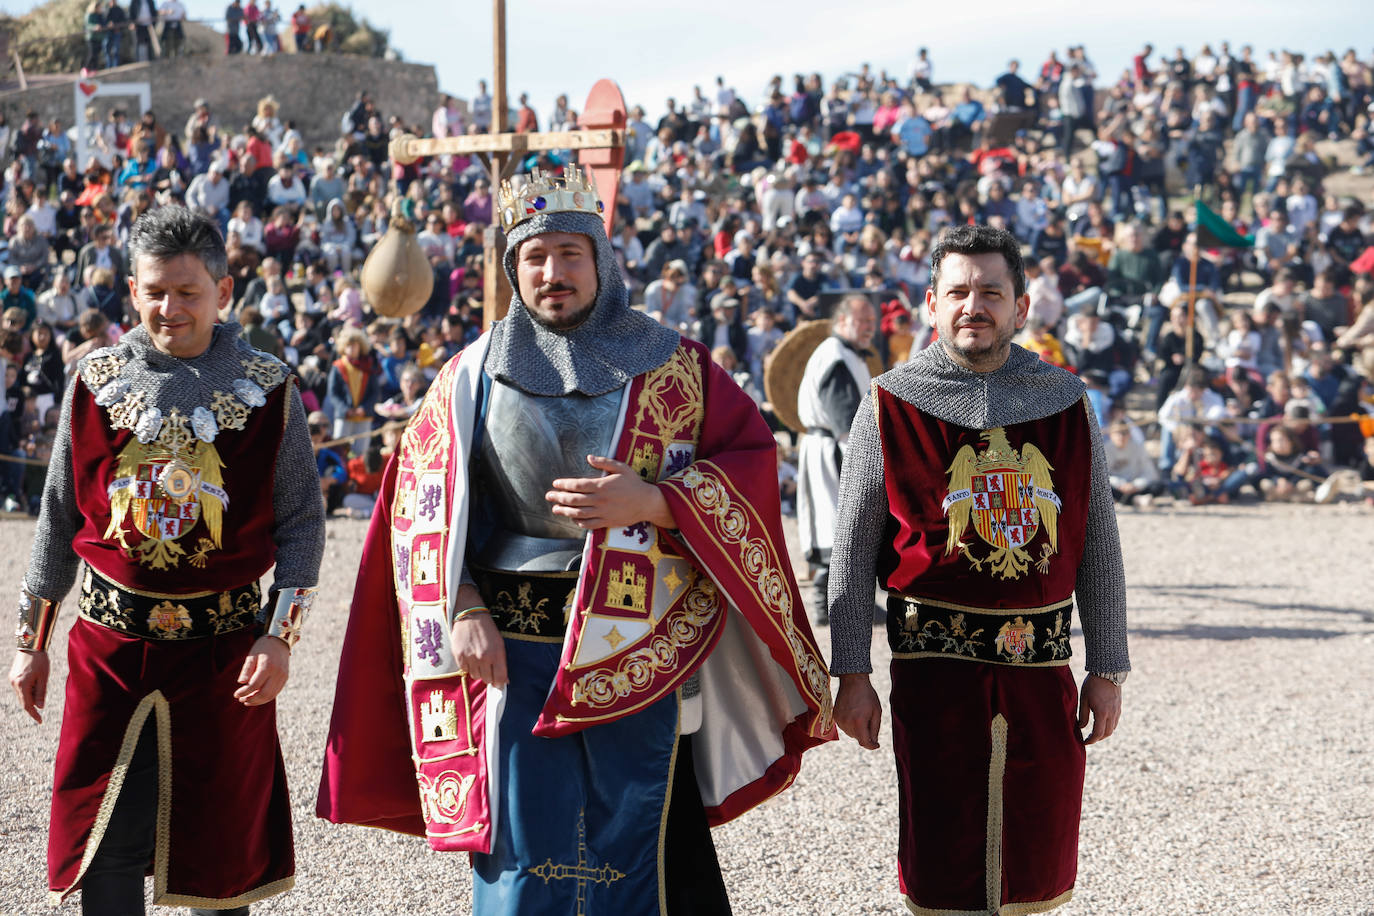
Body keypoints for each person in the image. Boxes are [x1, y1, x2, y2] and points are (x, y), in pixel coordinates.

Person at [318, 166, 834, 914]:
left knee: (643, 842)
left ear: (601, 261)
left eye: (569, 253)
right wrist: (460, 606)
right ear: (512, 269)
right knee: (525, 858)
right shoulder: (468, 377)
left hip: (640, 645)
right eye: (534, 257)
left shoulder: (677, 369)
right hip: (509, 649)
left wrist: (658, 501)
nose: (552, 272)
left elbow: (750, 467)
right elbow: (415, 510)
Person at [7, 206, 324, 913]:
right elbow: (59, 516)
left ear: (224, 290)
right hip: (108, 653)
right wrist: (31, 644)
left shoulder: (269, 390)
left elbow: (302, 522)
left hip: (224, 658)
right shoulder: (95, 379)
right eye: (154, 291)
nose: (169, 308)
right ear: (131, 289)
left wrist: (281, 636)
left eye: (187, 292)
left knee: (223, 854)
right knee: (106, 846)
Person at [828, 224, 1128, 916]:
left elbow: (1098, 547)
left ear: (1021, 307)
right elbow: (850, 554)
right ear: (931, 304)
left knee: (1038, 861)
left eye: (991, 292)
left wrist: (1107, 667)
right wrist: (851, 672)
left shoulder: (1067, 402)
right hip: (934, 675)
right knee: (940, 860)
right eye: (958, 291)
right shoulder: (888, 405)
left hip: (1041, 674)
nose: (974, 306)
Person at [796, 294, 876, 625]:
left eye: (872, 322)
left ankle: (851, 606)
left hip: (830, 445)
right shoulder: (836, 357)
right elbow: (845, 420)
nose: (869, 328)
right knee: (840, 525)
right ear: (842, 321)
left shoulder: (846, 355)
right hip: (833, 449)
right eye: (862, 321)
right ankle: (825, 605)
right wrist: (862, 458)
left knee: (843, 525)